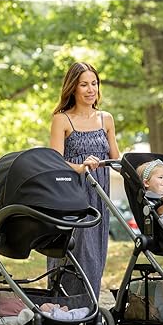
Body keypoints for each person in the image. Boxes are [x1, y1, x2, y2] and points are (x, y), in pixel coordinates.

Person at [48, 62, 120, 299]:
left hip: (99, 194)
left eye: (94, 83)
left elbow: (115, 158)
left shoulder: (106, 119)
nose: (91, 89)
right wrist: (81, 167)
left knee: (95, 253)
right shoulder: (62, 120)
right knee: (75, 251)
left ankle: (90, 305)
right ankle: (63, 304)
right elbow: (54, 161)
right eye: (84, 85)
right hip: (72, 194)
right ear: (73, 88)